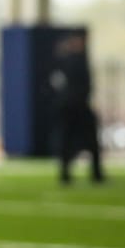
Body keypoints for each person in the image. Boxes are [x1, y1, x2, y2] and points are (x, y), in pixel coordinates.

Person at [49, 32, 105, 185]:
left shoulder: (65, 60)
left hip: (72, 106)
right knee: (78, 140)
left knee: (72, 141)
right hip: (74, 106)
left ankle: (73, 174)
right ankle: (85, 174)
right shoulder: (72, 61)